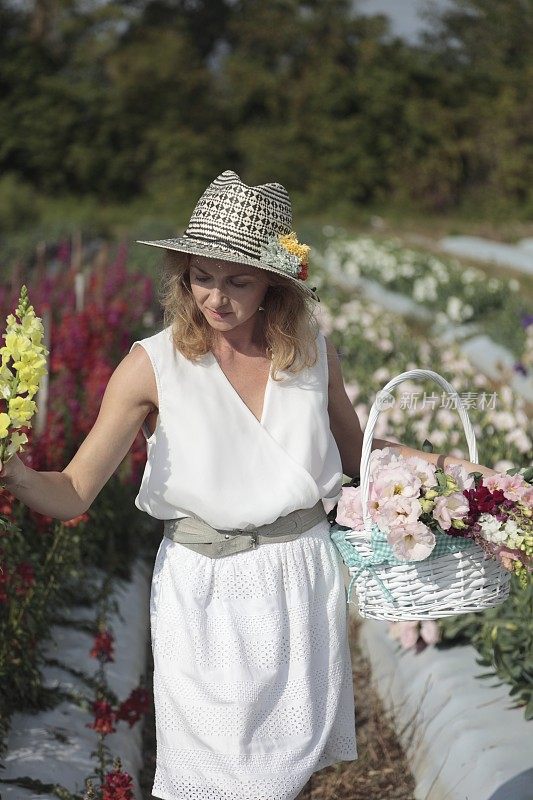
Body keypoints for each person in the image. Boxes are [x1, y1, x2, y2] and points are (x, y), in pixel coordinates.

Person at [0, 170, 496, 800]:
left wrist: (472, 481)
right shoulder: (152, 366)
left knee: (285, 773)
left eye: (237, 280)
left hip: (299, 580)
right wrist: (13, 473)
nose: (216, 297)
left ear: (275, 284)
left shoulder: (313, 353)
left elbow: (362, 455)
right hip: (201, 589)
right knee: (210, 778)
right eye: (202, 276)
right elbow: (74, 489)